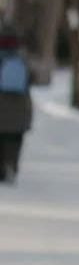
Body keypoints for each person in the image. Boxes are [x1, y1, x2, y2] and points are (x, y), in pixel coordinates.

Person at [0, 33, 32, 183]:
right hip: (20, 109)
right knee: (15, 140)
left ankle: (1, 170)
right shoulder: (22, 61)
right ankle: (12, 165)